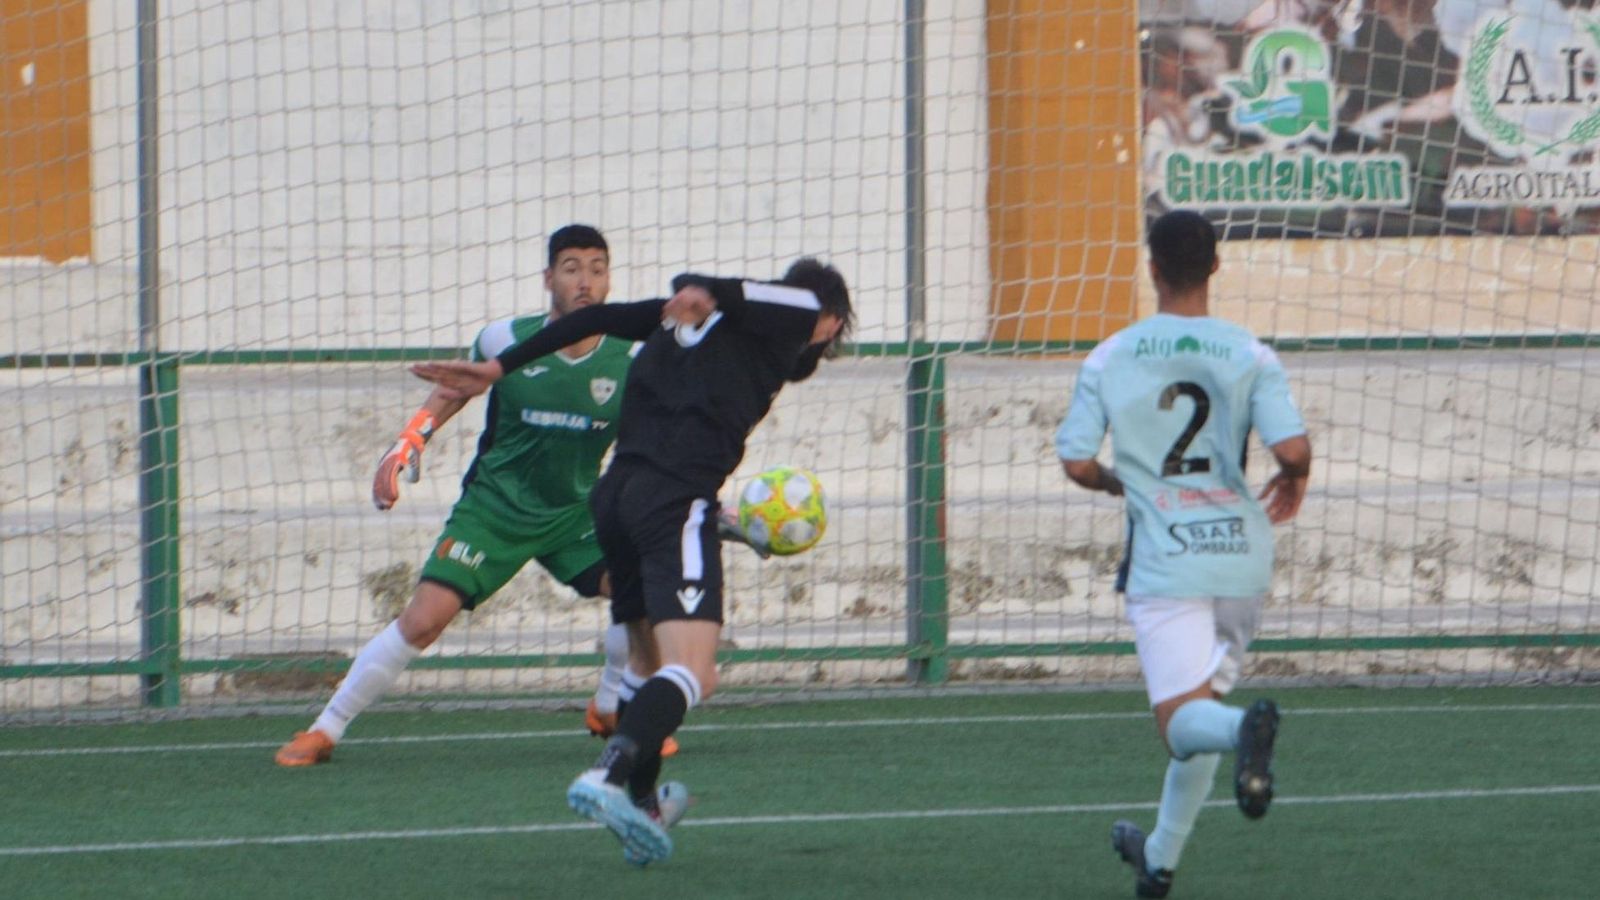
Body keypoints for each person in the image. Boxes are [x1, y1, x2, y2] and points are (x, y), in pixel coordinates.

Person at [412, 257, 853, 866]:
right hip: (673, 503)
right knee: (695, 672)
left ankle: (643, 804)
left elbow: (600, 318)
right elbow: (746, 294)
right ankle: (606, 775)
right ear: (829, 323)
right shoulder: (797, 311)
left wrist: (496, 367)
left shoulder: (703, 328)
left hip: (615, 499)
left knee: (645, 666)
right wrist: (702, 290)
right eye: (833, 327)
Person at [273, 224, 683, 767]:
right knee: (423, 621)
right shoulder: (503, 340)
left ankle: (612, 707)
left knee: (643, 595)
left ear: (609, 281)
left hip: (576, 513)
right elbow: (452, 390)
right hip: (495, 510)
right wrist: (405, 445)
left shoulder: (631, 358)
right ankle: (325, 729)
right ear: (547, 278)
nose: (584, 280)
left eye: (597, 268)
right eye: (571, 267)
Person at [1055, 210, 1311, 898]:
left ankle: (1247, 729)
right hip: (1241, 554)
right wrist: (1296, 477)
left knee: (1184, 725)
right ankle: (1159, 862)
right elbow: (1292, 449)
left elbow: (1077, 461)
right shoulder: (1251, 353)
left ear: (1153, 269)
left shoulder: (1112, 354)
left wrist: (1118, 483)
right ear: (1216, 267)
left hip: (1168, 555)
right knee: (1197, 712)